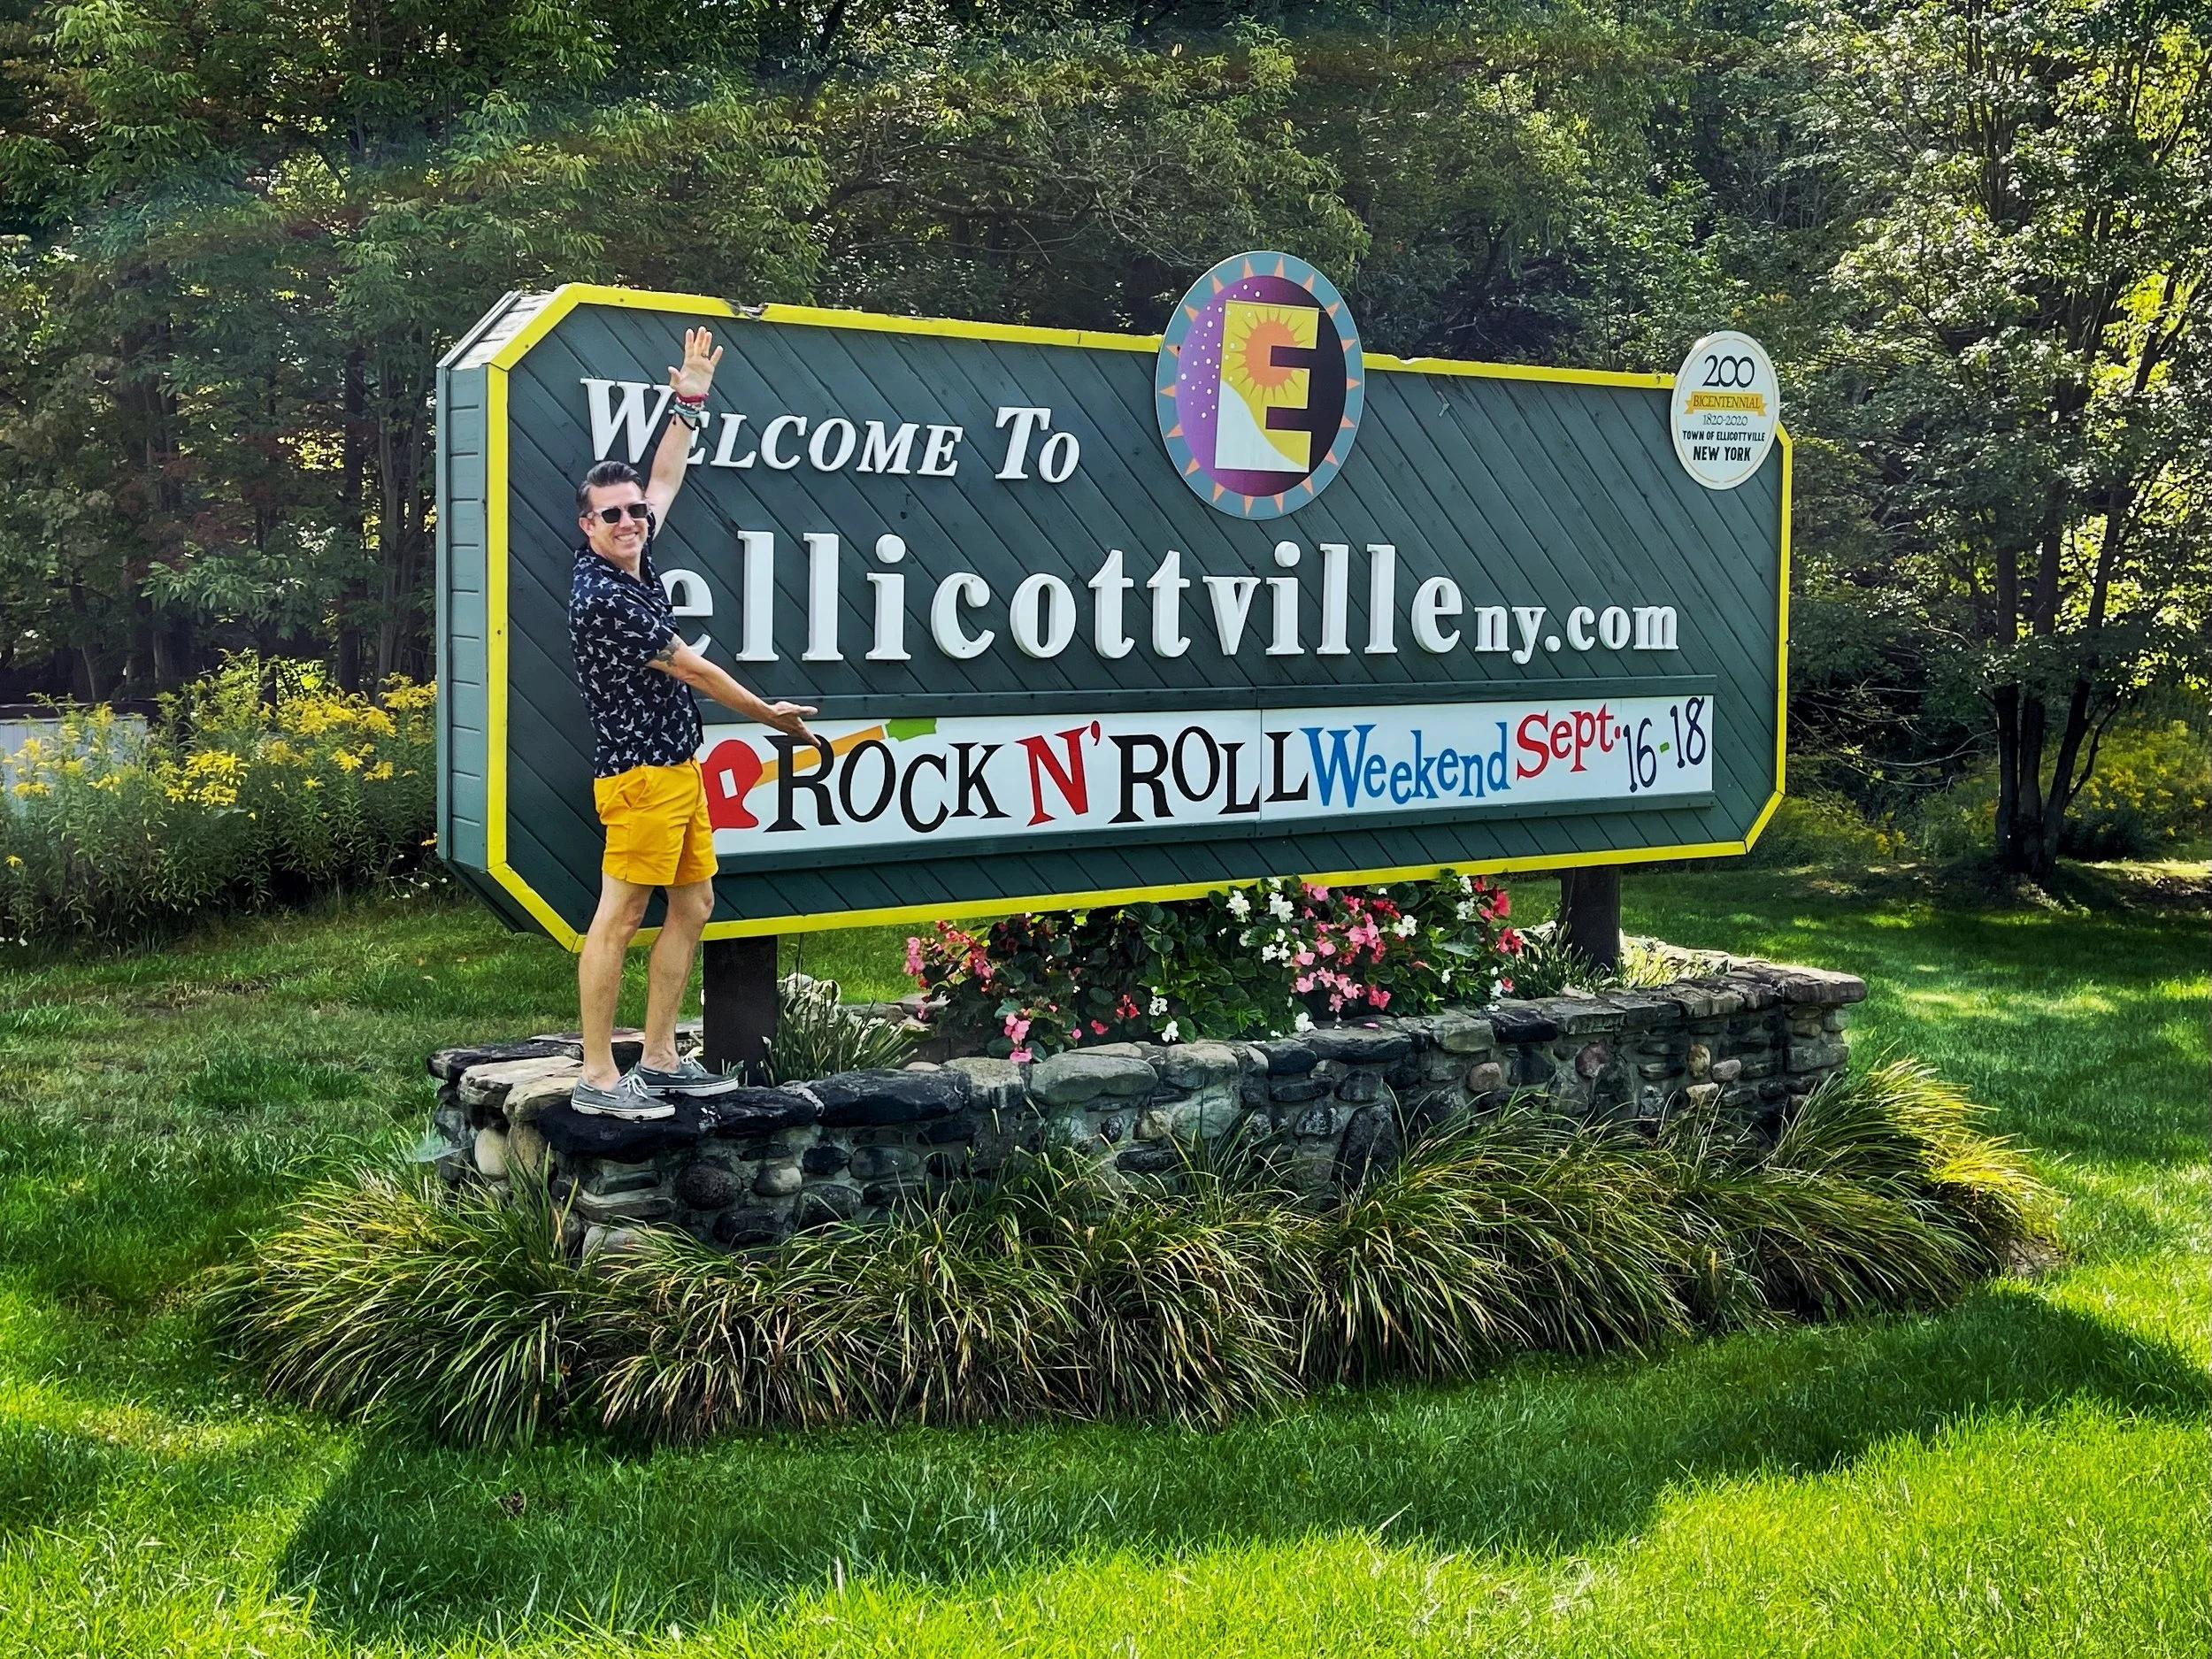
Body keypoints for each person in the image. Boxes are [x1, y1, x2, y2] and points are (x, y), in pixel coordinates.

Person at [566, 326, 816, 1118]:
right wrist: (769, 714)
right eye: (613, 515)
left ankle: (664, 1055)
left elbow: (666, 476)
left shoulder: (636, 557)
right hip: (640, 781)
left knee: (695, 904)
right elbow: (695, 670)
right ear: (588, 526)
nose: (631, 519)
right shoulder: (603, 597)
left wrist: (691, 397)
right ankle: (600, 1077)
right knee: (619, 917)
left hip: (678, 770)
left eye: (633, 510)